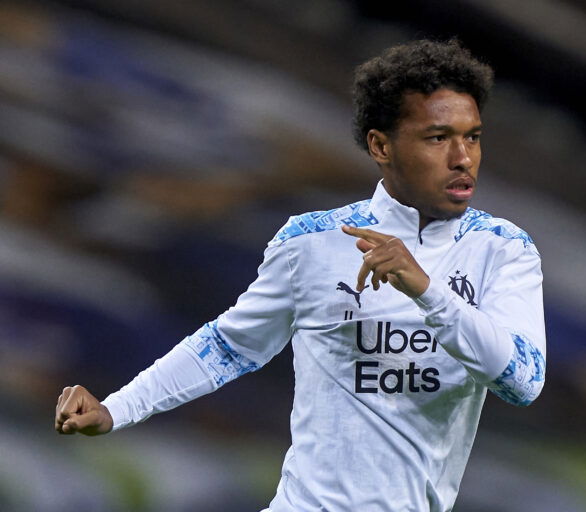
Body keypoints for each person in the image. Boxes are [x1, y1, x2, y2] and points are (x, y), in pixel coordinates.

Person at [55, 39, 546, 511]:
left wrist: (428, 293)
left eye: (472, 137)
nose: (463, 158)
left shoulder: (502, 249)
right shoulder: (311, 241)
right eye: (438, 138)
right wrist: (117, 409)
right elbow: (229, 346)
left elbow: (522, 381)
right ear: (381, 145)